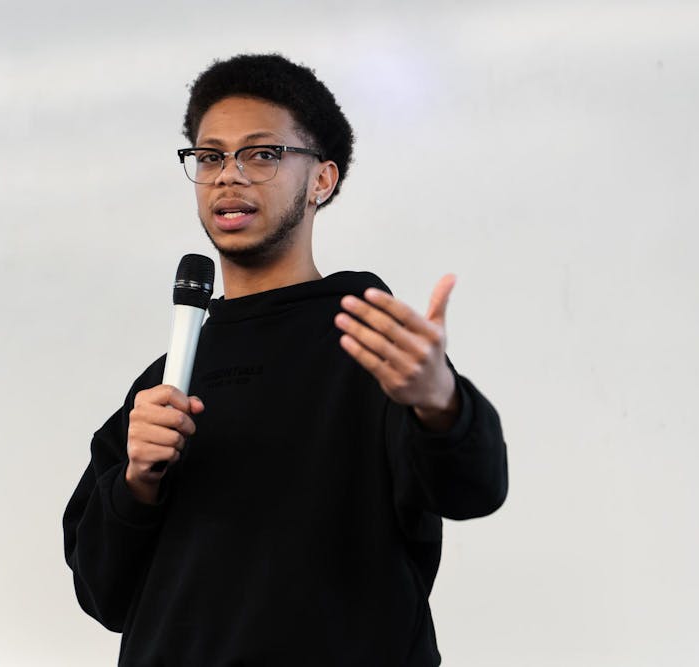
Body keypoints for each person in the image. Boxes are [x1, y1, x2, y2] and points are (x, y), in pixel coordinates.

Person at [63, 53, 508, 666]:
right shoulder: (165, 379)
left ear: (321, 180)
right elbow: (102, 593)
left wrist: (439, 403)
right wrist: (137, 483)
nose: (229, 176)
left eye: (263, 154)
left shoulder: (370, 343)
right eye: (211, 156)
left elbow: (474, 490)